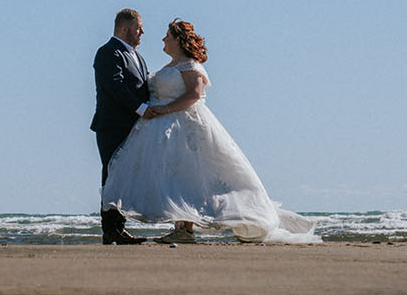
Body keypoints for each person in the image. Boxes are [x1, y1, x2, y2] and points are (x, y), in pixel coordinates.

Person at [101, 19, 318, 244]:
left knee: (187, 176)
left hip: (184, 126)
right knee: (172, 178)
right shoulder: (168, 66)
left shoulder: (190, 65)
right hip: (158, 128)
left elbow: (194, 94)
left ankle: (186, 229)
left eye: (168, 36)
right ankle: (178, 227)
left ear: (179, 41)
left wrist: (165, 109)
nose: (163, 39)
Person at [91, 9, 154, 245]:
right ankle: (110, 230)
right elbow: (115, 85)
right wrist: (141, 109)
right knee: (112, 174)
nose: (142, 32)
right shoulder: (108, 52)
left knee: (126, 176)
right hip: (112, 125)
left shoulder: (138, 57)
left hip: (134, 127)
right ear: (124, 29)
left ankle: (119, 227)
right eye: (139, 28)